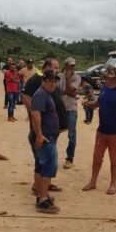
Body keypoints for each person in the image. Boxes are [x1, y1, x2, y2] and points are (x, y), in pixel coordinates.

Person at [82, 66, 116, 195]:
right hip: (102, 131)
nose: (104, 78)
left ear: (113, 78)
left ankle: (113, 184)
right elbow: (98, 103)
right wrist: (89, 104)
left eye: (107, 77)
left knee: (114, 159)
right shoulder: (104, 89)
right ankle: (93, 181)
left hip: (115, 132)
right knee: (97, 158)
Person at [23, 58, 66, 194]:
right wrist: (38, 129)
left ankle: (43, 186)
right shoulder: (37, 82)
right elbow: (26, 98)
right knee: (44, 162)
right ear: (46, 68)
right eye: (55, 67)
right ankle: (41, 193)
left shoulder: (48, 87)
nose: (53, 82)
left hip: (49, 131)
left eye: (55, 81)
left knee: (44, 162)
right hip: (44, 133)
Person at [29, 70, 62, 214]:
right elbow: (35, 115)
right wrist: (40, 135)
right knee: (48, 167)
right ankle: (43, 200)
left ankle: (41, 196)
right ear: (44, 80)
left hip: (46, 136)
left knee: (41, 167)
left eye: (55, 81)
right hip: (45, 137)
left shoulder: (44, 94)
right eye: (50, 80)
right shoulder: (41, 94)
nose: (53, 83)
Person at [60, 57, 82, 169]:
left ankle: (70, 159)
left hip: (71, 108)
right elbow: (62, 91)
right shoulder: (59, 76)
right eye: (70, 65)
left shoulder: (77, 77)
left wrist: (68, 80)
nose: (72, 67)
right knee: (54, 132)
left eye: (73, 65)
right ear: (65, 65)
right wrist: (71, 92)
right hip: (60, 108)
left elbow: (69, 90)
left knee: (71, 134)